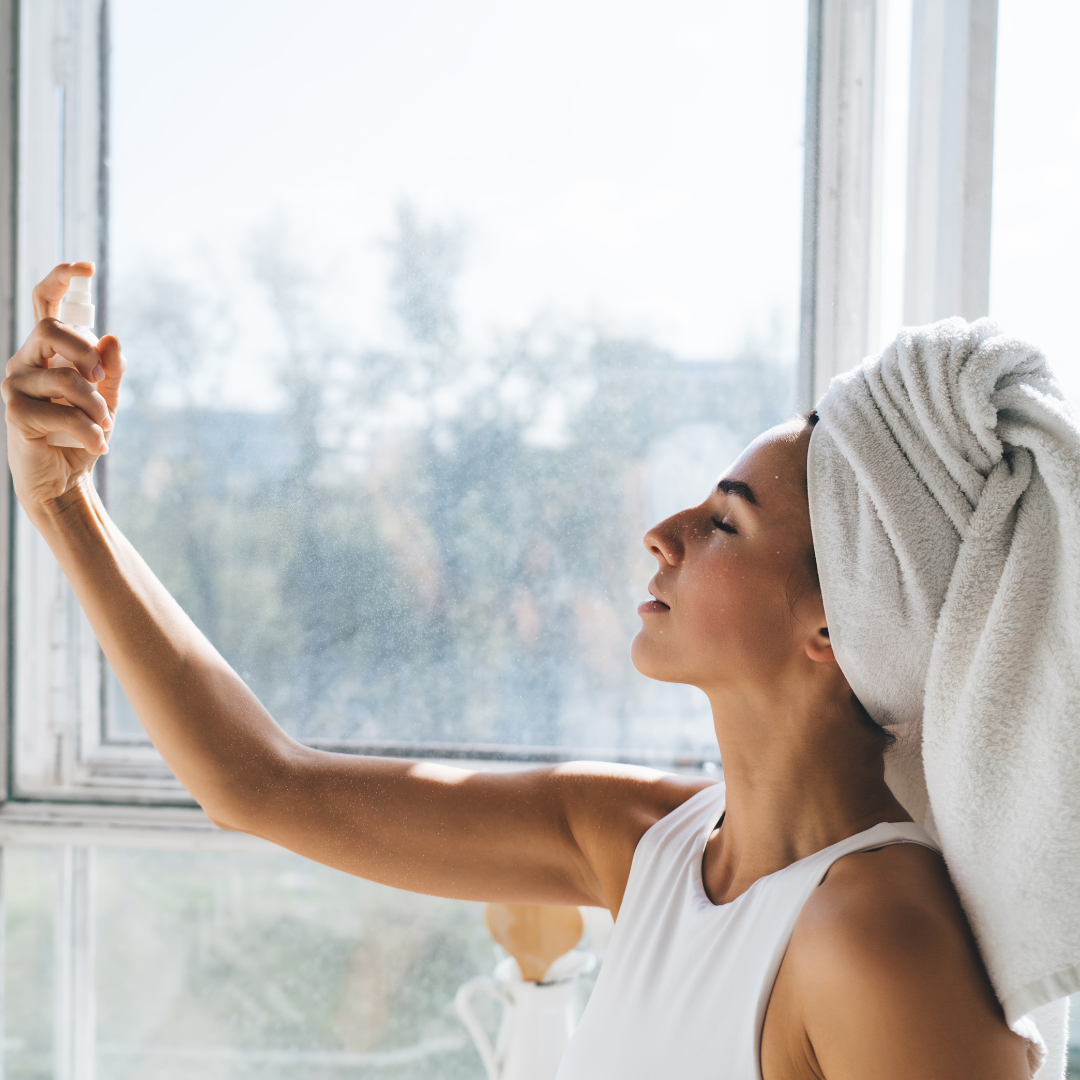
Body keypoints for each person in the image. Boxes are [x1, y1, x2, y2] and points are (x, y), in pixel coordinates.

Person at [3, 264, 1032, 1079]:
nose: (662, 533)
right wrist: (62, 505)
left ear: (835, 626)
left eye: (725, 521)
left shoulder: (876, 935)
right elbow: (258, 784)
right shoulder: (639, 843)